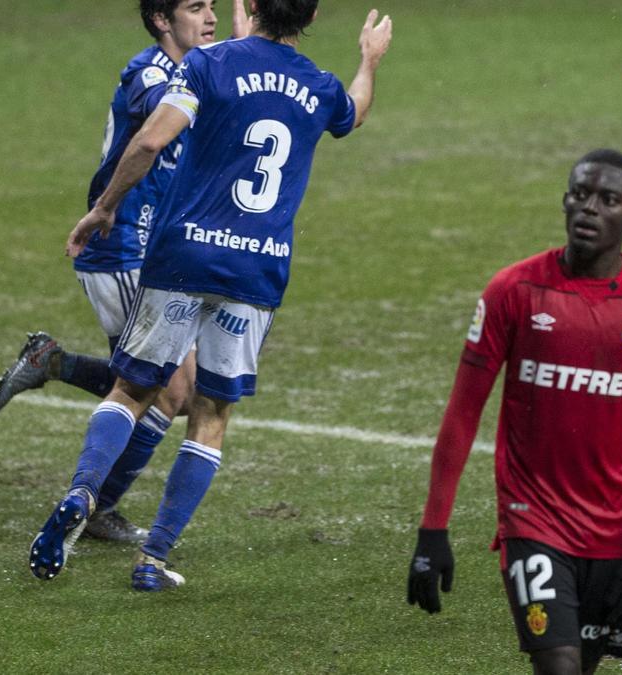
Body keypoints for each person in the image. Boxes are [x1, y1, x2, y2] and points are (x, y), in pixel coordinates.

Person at [28, 1, 393, 591]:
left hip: (183, 255)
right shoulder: (318, 86)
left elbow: (149, 143)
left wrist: (103, 208)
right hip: (256, 270)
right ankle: (153, 561)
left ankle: (82, 492)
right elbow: (355, 112)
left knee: (134, 387)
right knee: (210, 411)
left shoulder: (207, 64)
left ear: (252, 7)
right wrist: (369, 58)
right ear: (312, 14)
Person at [406, 150, 622, 674]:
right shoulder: (515, 291)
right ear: (564, 200)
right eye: (580, 194)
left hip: (615, 533)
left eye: (608, 199)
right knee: (557, 666)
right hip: (532, 521)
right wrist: (433, 529)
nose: (589, 208)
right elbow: (462, 414)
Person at [0, 0, 252, 543]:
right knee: (173, 391)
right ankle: (96, 507)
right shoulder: (149, 72)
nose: (208, 17)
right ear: (162, 20)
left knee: (150, 385)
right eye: (195, 7)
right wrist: (238, 58)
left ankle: (53, 363)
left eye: (211, 6)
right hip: (120, 247)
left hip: (156, 250)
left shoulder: (196, 71)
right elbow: (172, 111)